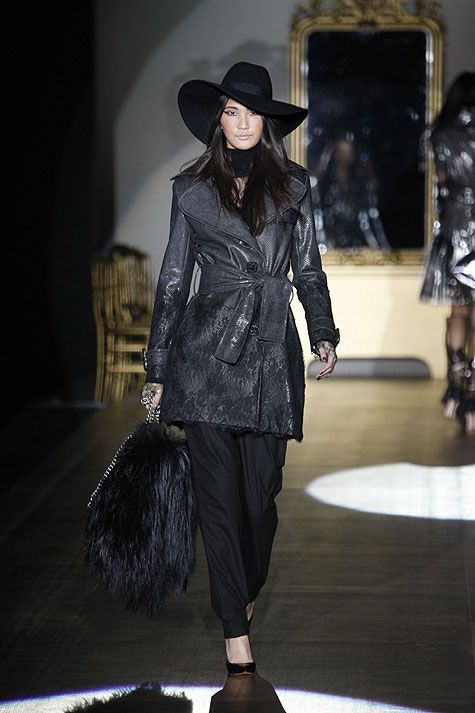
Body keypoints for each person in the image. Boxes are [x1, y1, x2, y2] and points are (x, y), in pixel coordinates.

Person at [140, 62, 340, 675]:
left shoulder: (295, 187)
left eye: (253, 112)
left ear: (267, 121)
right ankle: (235, 631)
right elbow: (173, 280)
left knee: (258, 501)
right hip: (204, 358)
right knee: (219, 506)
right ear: (218, 120)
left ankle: (242, 592)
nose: (243, 122)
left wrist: (323, 331)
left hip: (270, 356)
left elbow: (307, 268)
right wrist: (157, 366)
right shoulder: (190, 190)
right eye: (232, 111)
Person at [420, 72, 475, 433]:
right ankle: (472, 395)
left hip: (455, 225)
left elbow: (441, 185)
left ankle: (456, 387)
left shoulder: (441, 135)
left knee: (458, 310)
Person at [312, 137, 390, 251]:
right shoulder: (326, 185)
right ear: (334, 155)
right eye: (341, 152)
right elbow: (312, 186)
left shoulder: (359, 183)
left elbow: (369, 213)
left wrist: (369, 171)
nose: (345, 157)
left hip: (357, 245)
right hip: (332, 245)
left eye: (348, 152)